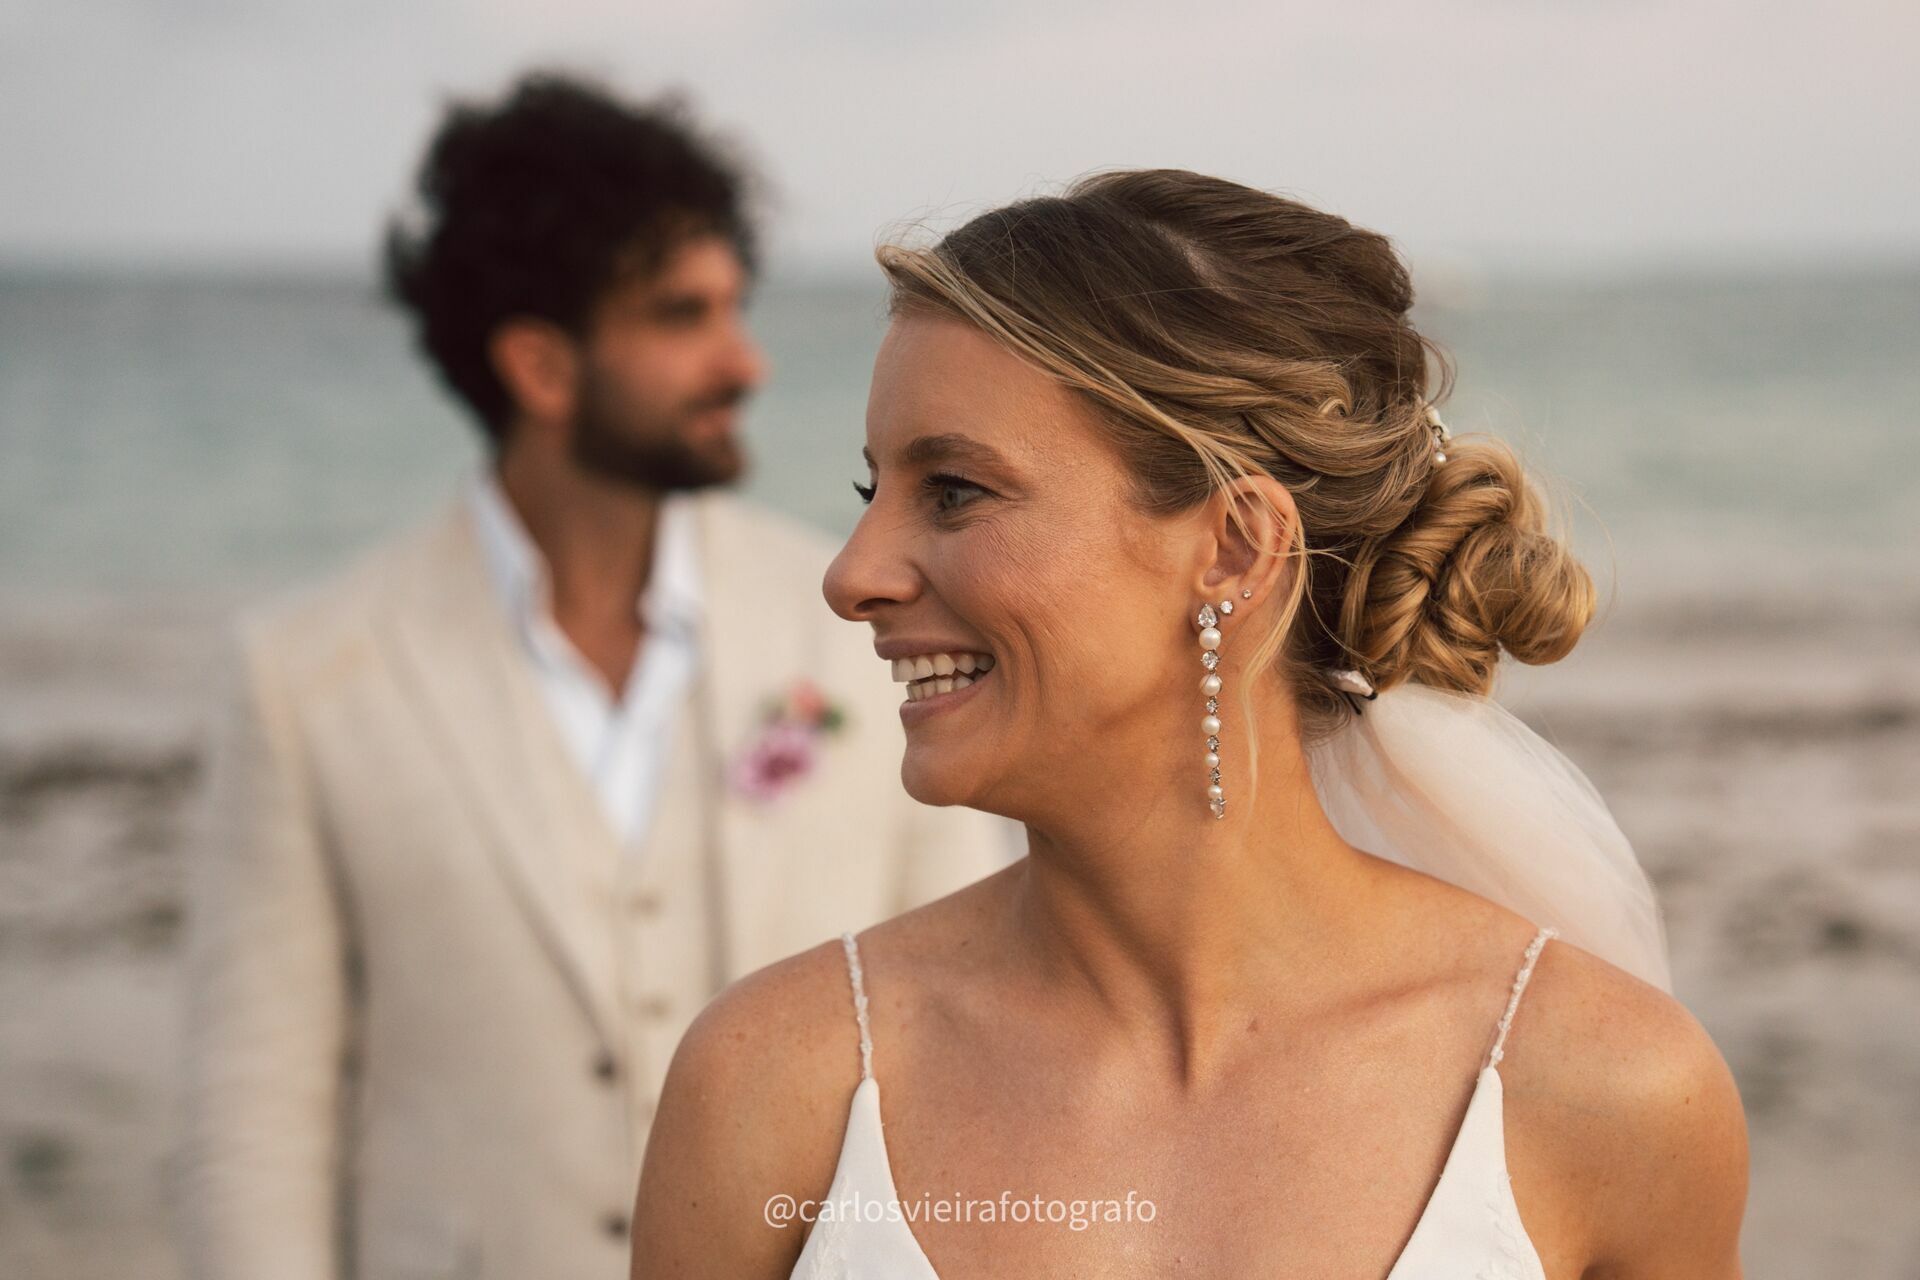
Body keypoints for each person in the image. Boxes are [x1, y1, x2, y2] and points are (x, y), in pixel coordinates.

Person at [630, 169, 1750, 1277]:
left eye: (956, 490)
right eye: (873, 491)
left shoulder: (1608, 1091)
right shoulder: (776, 1088)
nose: (852, 573)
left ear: (1232, 547)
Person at [175, 72, 1013, 1280]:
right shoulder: (307, 676)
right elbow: (254, 1124)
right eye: (685, 315)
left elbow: (973, 1019)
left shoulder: (864, 619)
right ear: (541, 366)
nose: (747, 361)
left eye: (738, 305)